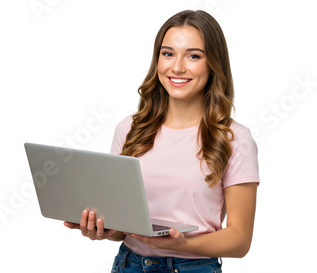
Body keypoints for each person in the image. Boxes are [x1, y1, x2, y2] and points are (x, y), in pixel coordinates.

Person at [63, 9, 259, 273]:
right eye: (168, 53)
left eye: (193, 56)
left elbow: (240, 240)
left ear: (213, 64)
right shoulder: (131, 129)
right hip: (129, 264)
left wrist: (181, 245)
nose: (177, 67)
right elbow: (122, 228)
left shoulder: (234, 139)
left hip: (194, 268)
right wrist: (103, 230)